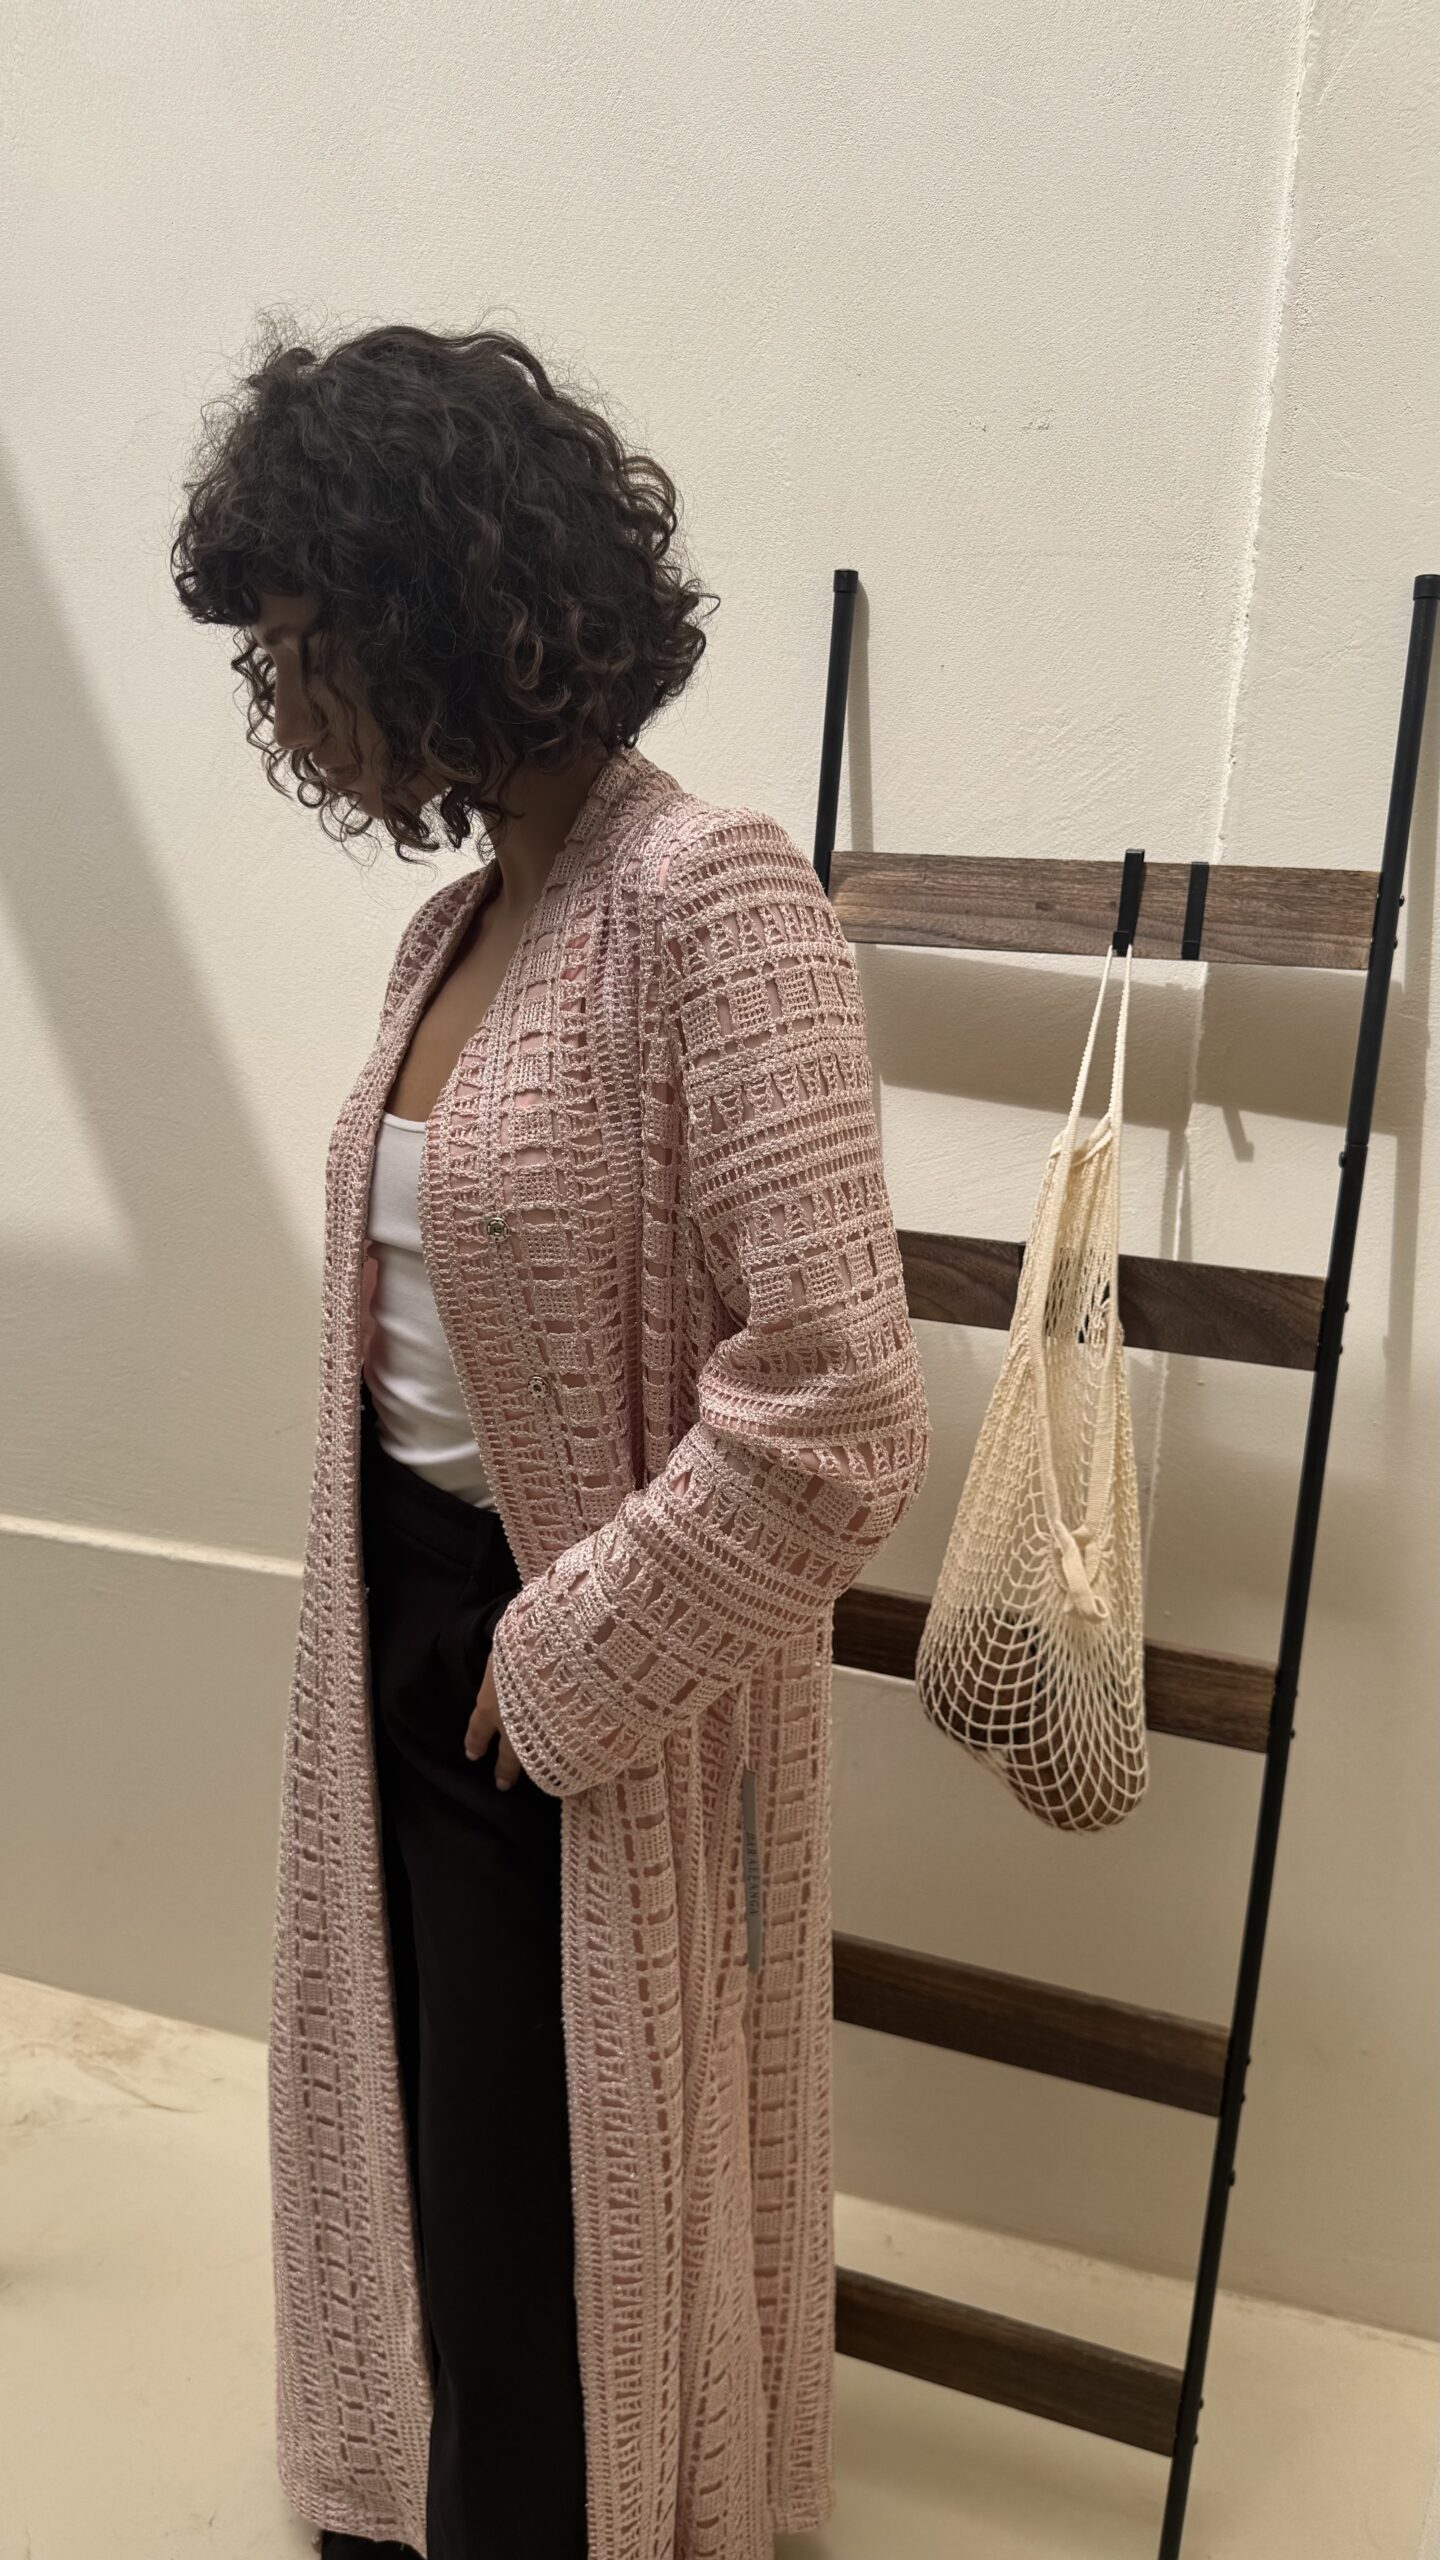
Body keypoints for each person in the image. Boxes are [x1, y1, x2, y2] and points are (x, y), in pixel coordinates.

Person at [171, 319, 929, 2560]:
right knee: (416, 2146)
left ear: (432, 602)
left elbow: (839, 1392)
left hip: (563, 1672)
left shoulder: (713, 901)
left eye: (300, 640)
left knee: (546, 2216)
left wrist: (573, 1649)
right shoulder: (455, 925)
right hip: (401, 1633)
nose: (280, 700)